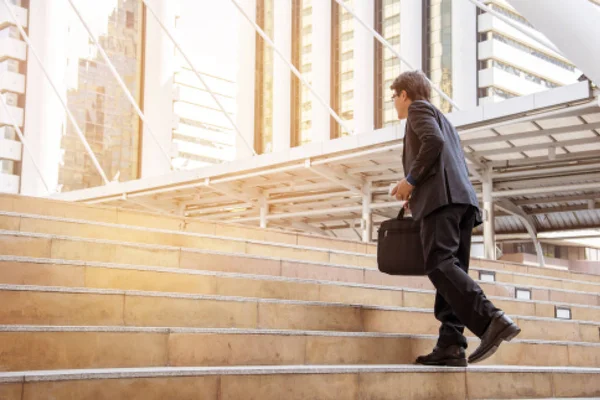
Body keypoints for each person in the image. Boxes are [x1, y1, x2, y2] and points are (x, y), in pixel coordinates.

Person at [390, 71, 520, 366]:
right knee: (450, 270)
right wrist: (417, 191)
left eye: (393, 97)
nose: (394, 104)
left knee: (439, 264)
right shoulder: (444, 119)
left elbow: (431, 143)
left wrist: (410, 181)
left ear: (404, 95)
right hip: (460, 203)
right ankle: (451, 344)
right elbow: (443, 157)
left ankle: (491, 319)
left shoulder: (418, 110)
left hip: (444, 203)